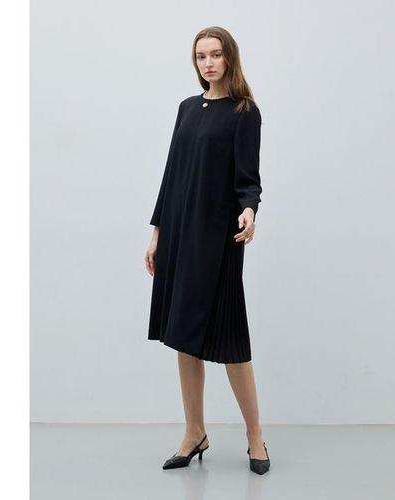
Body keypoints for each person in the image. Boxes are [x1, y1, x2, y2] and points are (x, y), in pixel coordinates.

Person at [144, 26, 270, 475]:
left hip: (218, 237)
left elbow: (249, 177)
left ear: (229, 58)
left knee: (231, 340)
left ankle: (255, 436)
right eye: (201, 56)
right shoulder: (186, 108)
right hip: (180, 232)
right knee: (184, 334)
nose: (209, 63)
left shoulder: (244, 112)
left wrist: (250, 209)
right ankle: (194, 432)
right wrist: (157, 233)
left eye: (216, 54)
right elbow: (172, 174)